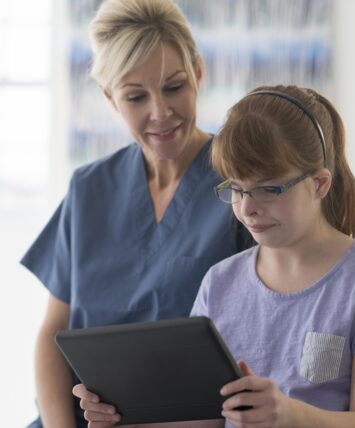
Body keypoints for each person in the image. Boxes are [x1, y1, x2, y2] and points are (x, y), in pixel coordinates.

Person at [74, 84, 355, 428]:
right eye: (236, 188)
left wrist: (290, 416)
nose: (248, 208)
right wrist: (122, 419)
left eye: (268, 188)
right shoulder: (220, 282)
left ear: (319, 184)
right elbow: (204, 419)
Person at [21, 1, 251, 427]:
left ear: (198, 73)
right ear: (110, 98)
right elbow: (53, 335)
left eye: (174, 86)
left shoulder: (244, 186)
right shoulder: (88, 190)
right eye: (135, 96)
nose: (160, 113)